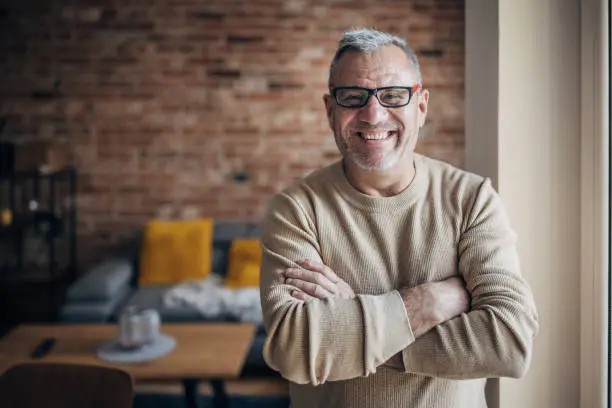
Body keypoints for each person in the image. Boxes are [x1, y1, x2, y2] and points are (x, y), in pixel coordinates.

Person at [258, 28, 539, 408]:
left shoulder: (472, 199)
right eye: (353, 97)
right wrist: (427, 303)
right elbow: (294, 349)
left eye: (393, 96)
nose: (373, 115)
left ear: (420, 106)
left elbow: (509, 342)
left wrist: (357, 321)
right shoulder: (296, 209)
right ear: (331, 110)